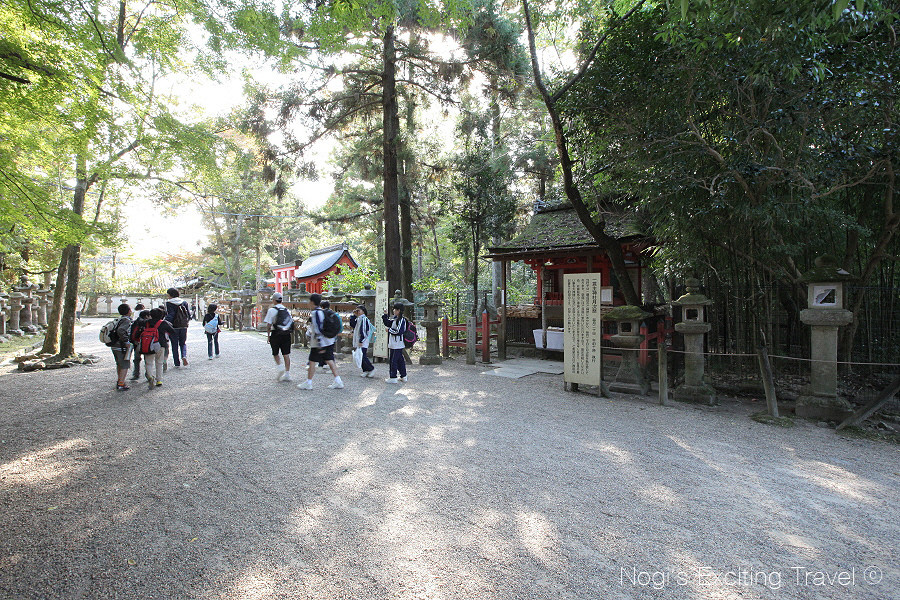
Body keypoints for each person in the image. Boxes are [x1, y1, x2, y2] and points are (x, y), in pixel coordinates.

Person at [298, 292, 343, 390]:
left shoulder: (315, 313)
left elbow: (318, 328)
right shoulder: (322, 311)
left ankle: (309, 383)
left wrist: (319, 344)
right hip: (328, 340)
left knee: (312, 361)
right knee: (330, 360)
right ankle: (338, 381)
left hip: (319, 342)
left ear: (312, 302)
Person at [141, 307, 177, 389]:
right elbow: (172, 331)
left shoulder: (146, 322)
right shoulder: (163, 323)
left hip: (148, 344)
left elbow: (138, 324)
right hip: (161, 344)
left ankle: (150, 376)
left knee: (148, 363)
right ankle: (159, 380)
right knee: (159, 363)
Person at [264, 292, 294, 382]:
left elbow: (269, 324)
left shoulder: (271, 310)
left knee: (275, 353)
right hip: (286, 334)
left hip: (276, 333)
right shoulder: (287, 310)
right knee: (286, 354)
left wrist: (268, 336)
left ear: (274, 300)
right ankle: (287, 374)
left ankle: (280, 367)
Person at [382, 302, 408, 384]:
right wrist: (385, 315)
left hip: (397, 344)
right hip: (394, 343)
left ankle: (393, 377)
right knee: (400, 360)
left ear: (398, 310)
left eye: (394, 309)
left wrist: (389, 330)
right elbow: (388, 323)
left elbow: (399, 332)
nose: (393, 311)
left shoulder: (402, 320)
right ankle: (403, 376)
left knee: (393, 360)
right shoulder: (395, 319)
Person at [164, 287, 191, 367]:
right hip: (183, 326)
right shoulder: (184, 302)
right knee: (183, 343)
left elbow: (171, 314)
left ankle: (177, 363)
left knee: (174, 344)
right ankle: (184, 356)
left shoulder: (169, 303)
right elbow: (188, 315)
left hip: (174, 326)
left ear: (170, 294)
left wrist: (165, 322)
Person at [110, 303, 134, 391]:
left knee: (119, 364)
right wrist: (126, 341)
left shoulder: (118, 319)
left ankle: (120, 380)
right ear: (129, 311)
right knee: (125, 364)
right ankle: (121, 384)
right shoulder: (126, 320)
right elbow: (121, 330)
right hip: (121, 346)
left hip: (114, 345)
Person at [349, 304, 375, 377]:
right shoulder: (358, 318)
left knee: (363, 356)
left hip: (363, 340)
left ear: (363, 311)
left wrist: (361, 340)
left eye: (359, 310)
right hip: (359, 339)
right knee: (360, 356)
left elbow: (364, 331)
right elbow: (352, 325)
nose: (357, 312)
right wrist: (353, 316)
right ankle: (365, 370)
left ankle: (371, 369)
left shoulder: (364, 319)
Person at [129, 304, 149, 380]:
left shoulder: (136, 322)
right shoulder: (146, 323)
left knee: (137, 359)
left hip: (136, 343)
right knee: (147, 360)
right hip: (145, 343)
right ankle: (148, 374)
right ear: (146, 316)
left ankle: (136, 373)